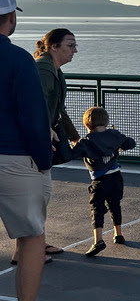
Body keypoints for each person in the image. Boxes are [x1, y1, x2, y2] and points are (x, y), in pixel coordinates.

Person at [0, 0, 66, 301]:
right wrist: (43, 161)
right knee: (31, 238)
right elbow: (33, 117)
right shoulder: (18, 60)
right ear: (11, 19)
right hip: (11, 159)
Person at [19, 29, 82, 263]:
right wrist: (45, 133)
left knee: (37, 195)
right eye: (70, 45)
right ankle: (30, 248)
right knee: (38, 194)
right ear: (53, 46)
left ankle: (29, 246)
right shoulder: (44, 69)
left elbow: (57, 108)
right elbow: (38, 103)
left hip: (39, 138)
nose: (75, 50)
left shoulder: (53, 68)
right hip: (36, 141)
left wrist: (74, 135)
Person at [71, 107, 135, 257]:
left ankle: (98, 240)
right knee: (115, 205)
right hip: (116, 177)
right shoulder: (114, 136)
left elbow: (70, 154)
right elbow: (130, 143)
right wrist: (120, 142)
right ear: (106, 121)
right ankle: (118, 234)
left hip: (99, 180)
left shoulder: (86, 142)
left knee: (97, 209)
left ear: (87, 124)